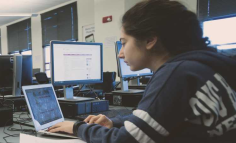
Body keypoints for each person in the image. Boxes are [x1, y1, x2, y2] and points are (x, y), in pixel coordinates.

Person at [49, 1, 236, 143]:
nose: (120, 53)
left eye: (123, 43)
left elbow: (128, 140)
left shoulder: (175, 74)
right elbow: (159, 118)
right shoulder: (201, 66)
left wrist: (76, 127)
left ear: (150, 40)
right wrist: (115, 122)